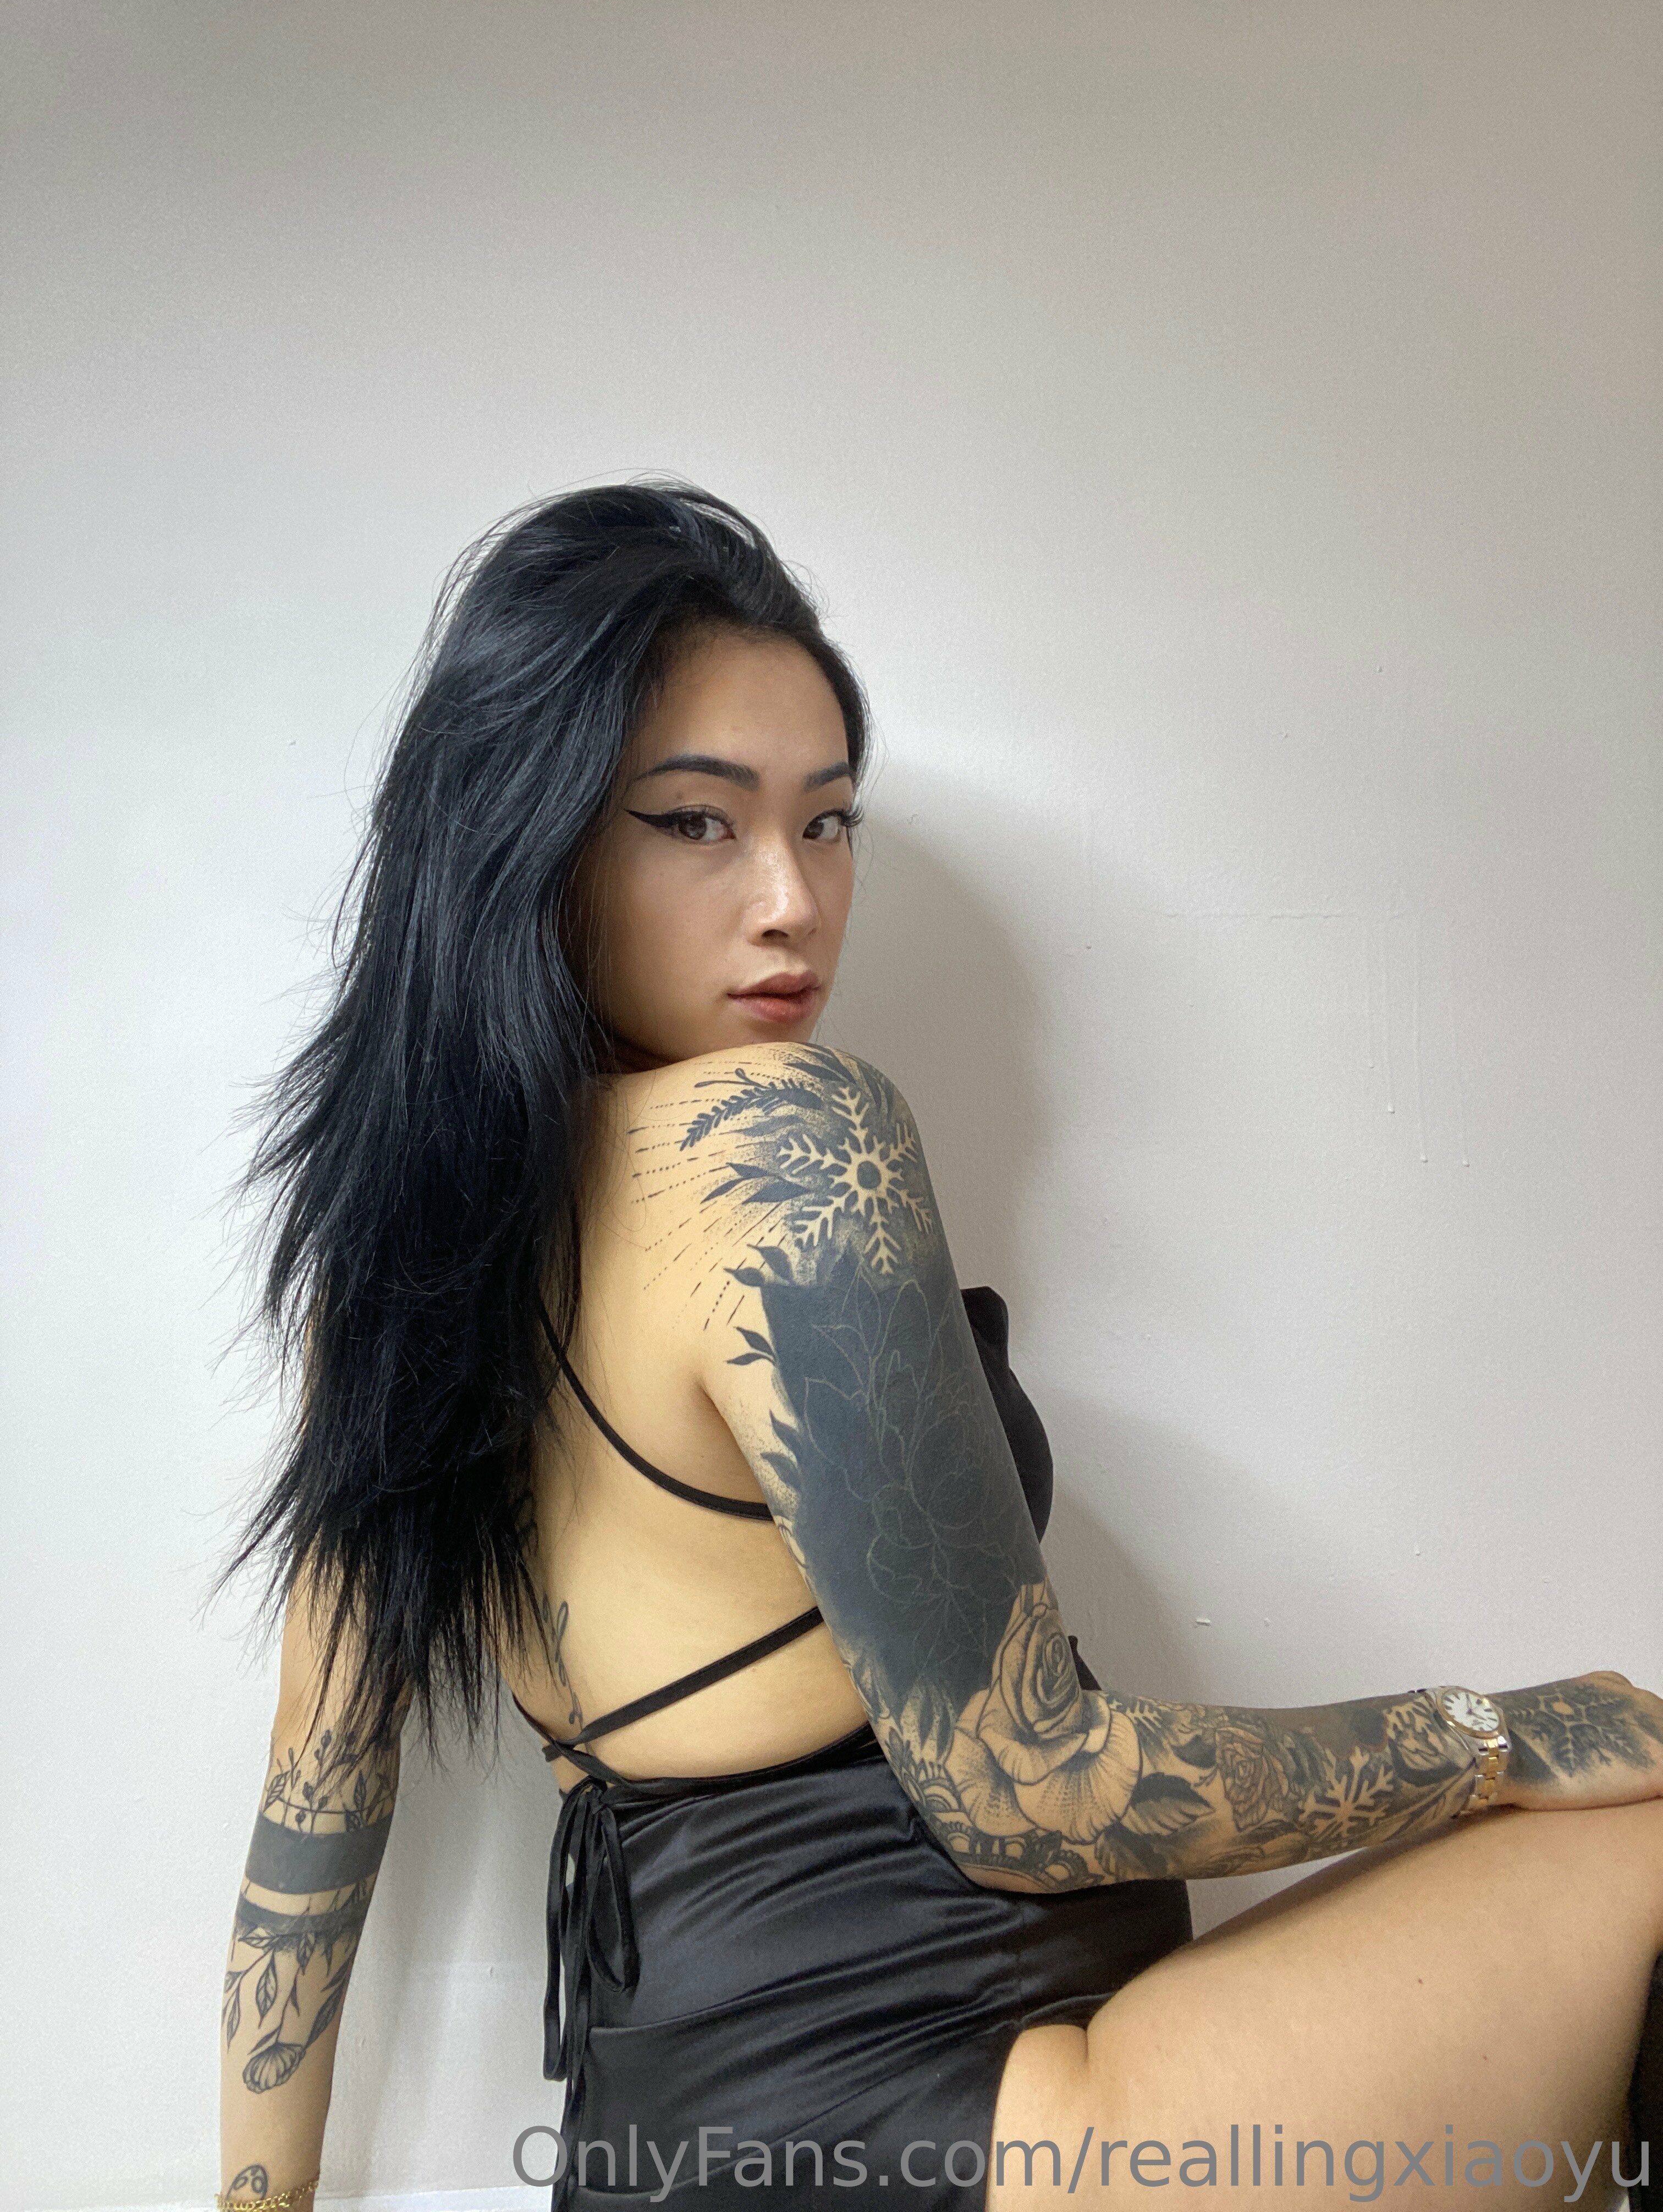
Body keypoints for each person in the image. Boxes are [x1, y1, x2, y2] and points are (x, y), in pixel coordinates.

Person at [213, 482, 1663, 2212]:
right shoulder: (781, 1142)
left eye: (828, 822)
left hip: (664, 2145)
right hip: (953, 2114)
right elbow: (1034, 1790)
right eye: (696, 821)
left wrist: (254, 2202)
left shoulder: (396, 1269)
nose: (791, 900)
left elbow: (315, 1807)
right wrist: (1499, 1733)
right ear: (532, 837)